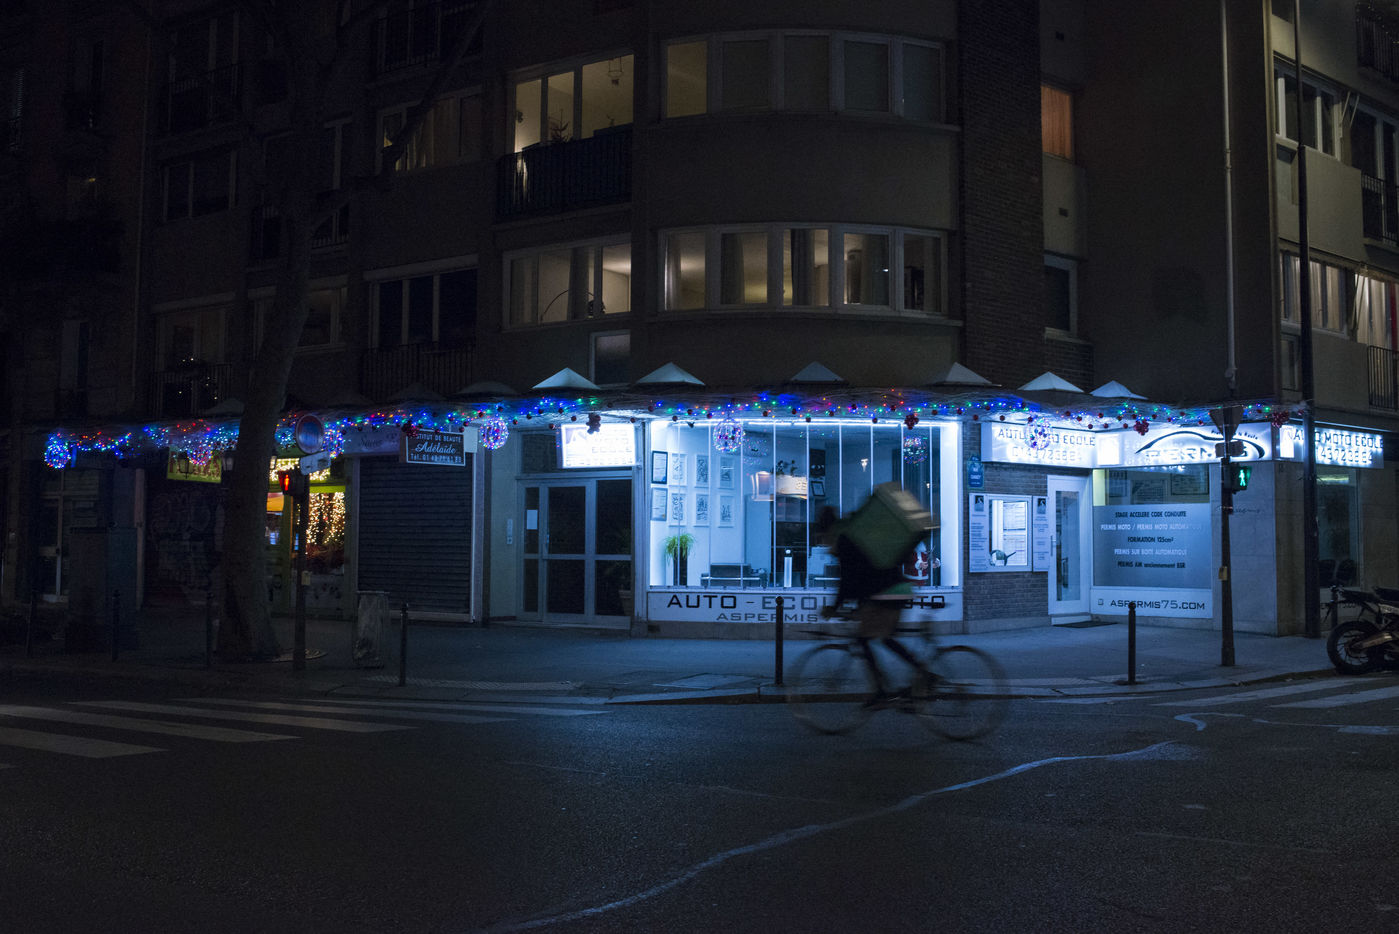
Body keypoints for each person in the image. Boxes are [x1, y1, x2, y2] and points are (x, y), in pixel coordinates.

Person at [818, 507, 926, 707]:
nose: (823, 542)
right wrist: (853, 606)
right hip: (893, 590)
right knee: (884, 638)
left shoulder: (844, 540)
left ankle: (884, 690)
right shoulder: (851, 533)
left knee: (864, 639)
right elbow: (863, 574)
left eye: (822, 536)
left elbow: (848, 579)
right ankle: (917, 676)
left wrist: (834, 607)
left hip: (887, 592)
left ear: (827, 529)